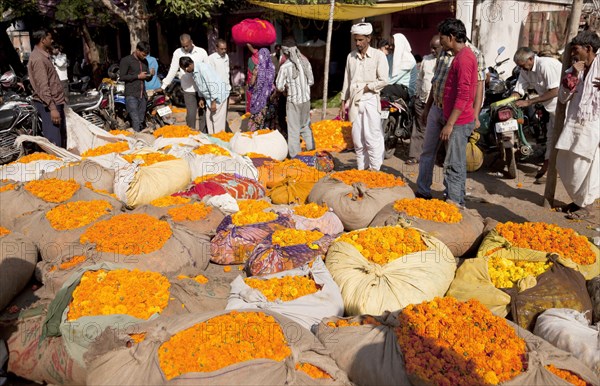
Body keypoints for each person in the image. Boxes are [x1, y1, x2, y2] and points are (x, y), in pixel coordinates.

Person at [416, 22, 486, 200]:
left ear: (451, 37)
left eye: (442, 37)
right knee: (431, 154)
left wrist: (453, 122)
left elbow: (470, 92)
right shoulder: (449, 53)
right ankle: (425, 191)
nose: (440, 41)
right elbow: (436, 83)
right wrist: (428, 108)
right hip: (440, 110)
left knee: (454, 161)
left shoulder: (467, 57)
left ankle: (455, 200)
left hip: (457, 117)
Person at [555, 31, 600, 220]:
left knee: (587, 166)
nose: (573, 54)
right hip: (574, 124)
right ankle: (580, 200)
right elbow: (563, 97)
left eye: (576, 50)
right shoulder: (574, 70)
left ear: (588, 49)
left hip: (593, 125)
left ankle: (587, 207)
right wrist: (573, 73)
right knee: (565, 163)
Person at [339, 22, 389, 171]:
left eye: (361, 40)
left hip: (370, 99)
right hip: (354, 101)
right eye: (356, 40)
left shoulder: (378, 56)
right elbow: (347, 81)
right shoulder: (351, 57)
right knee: (358, 140)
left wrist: (367, 87)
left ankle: (375, 171)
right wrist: (343, 104)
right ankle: (362, 170)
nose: (358, 43)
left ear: (369, 38)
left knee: (372, 137)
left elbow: (384, 80)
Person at [511, 47, 562, 183]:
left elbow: (555, 90)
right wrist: (512, 98)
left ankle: (554, 172)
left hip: (564, 109)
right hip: (551, 110)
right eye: (519, 66)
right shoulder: (525, 69)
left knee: (562, 141)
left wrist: (529, 102)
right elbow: (519, 88)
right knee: (551, 138)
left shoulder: (545, 65)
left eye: (522, 65)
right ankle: (546, 169)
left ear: (531, 59)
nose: (522, 68)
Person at [158, 34, 208, 131]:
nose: (185, 48)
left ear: (191, 42)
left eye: (187, 45)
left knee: (203, 112)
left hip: (203, 88)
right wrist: (164, 85)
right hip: (188, 88)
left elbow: (207, 69)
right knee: (191, 113)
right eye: (183, 46)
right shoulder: (178, 52)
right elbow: (173, 69)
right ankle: (191, 133)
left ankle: (204, 134)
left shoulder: (201, 52)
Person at [28, 29, 67, 148]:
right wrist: (52, 108)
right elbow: (43, 86)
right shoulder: (39, 59)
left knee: (62, 139)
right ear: (43, 40)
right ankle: (56, 165)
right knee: (55, 144)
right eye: (50, 38)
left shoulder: (44, 56)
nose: (52, 40)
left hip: (55, 102)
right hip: (49, 105)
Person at [407, 34, 442, 165]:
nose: (432, 50)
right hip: (422, 100)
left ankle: (437, 157)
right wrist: (417, 95)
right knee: (419, 128)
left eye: (435, 48)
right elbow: (420, 79)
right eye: (431, 48)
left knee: (438, 131)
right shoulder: (426, 60)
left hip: (438, 103)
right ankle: (415, 155)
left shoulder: (447, 61)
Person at [275, 43, 315, 158]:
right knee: (305, 126)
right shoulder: (305, 63)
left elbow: (279, 86)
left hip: (293, 101)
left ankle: (295, 156)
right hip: (306, 100)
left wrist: (287, 87)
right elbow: (311, 81)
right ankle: (311, 150)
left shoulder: (285, 67)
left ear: (285, 53)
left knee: (293, 130)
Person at [179, 56, 230, 134]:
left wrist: (213, 102)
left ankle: (219, 140)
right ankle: (212, 139)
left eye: (185, 69)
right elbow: (200, 85)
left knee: (217, 120)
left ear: (189, 65)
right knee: (209, 119)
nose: (186, 72)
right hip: (209, 97)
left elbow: (212, 85)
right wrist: (201, 98)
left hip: (218, 96)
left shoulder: (203, 68)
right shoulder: (194, 71)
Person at [119, 41, 150, 132]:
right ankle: (136, 140)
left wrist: (150, 75)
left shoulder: (145, 61)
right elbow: (122, 77)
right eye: (143, 54)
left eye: (146, 55)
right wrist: (137, 76)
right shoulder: (126, 60)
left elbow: (146, 78)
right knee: (135, 120)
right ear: (137, 50)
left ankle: (140, 139)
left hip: (142, 95)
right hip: (131, 95)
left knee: (141, 120)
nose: (144, 57)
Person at [247, 46, 277, 132]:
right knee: (268, 124)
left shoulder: (257, 68)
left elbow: (251, 85)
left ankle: (256, 140)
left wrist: (254, 75)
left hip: (258, 101)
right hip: (270, 99)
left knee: (256, 124)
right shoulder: (272, 68)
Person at [382, 33, 417, 101]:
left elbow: (391, 79)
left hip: (404, 89)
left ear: (400, 45)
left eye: (393, 45)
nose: (391, 47)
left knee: (380, 89)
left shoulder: (408, 60)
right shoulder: (391, 56)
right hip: (392, 85)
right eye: (390, 45)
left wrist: (376, 85)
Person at [208, 39, 231, 128]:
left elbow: (226, 73)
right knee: (216, 115)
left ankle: (220, 134)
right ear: (216, 48)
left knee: (222, 115)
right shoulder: (211, 58)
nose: (224, 51)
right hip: (216, 90)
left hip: (225, 89)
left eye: (225, 49)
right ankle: (216, 135)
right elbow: (210, 77)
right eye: (221, 49)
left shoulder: (226, 57)